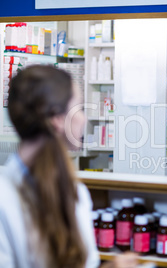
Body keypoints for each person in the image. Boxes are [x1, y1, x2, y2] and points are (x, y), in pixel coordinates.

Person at [0, 65, 138, 268]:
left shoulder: (75, 192)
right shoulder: (5, 196)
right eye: (80, 108)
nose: (84, 118)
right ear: (57, 119)